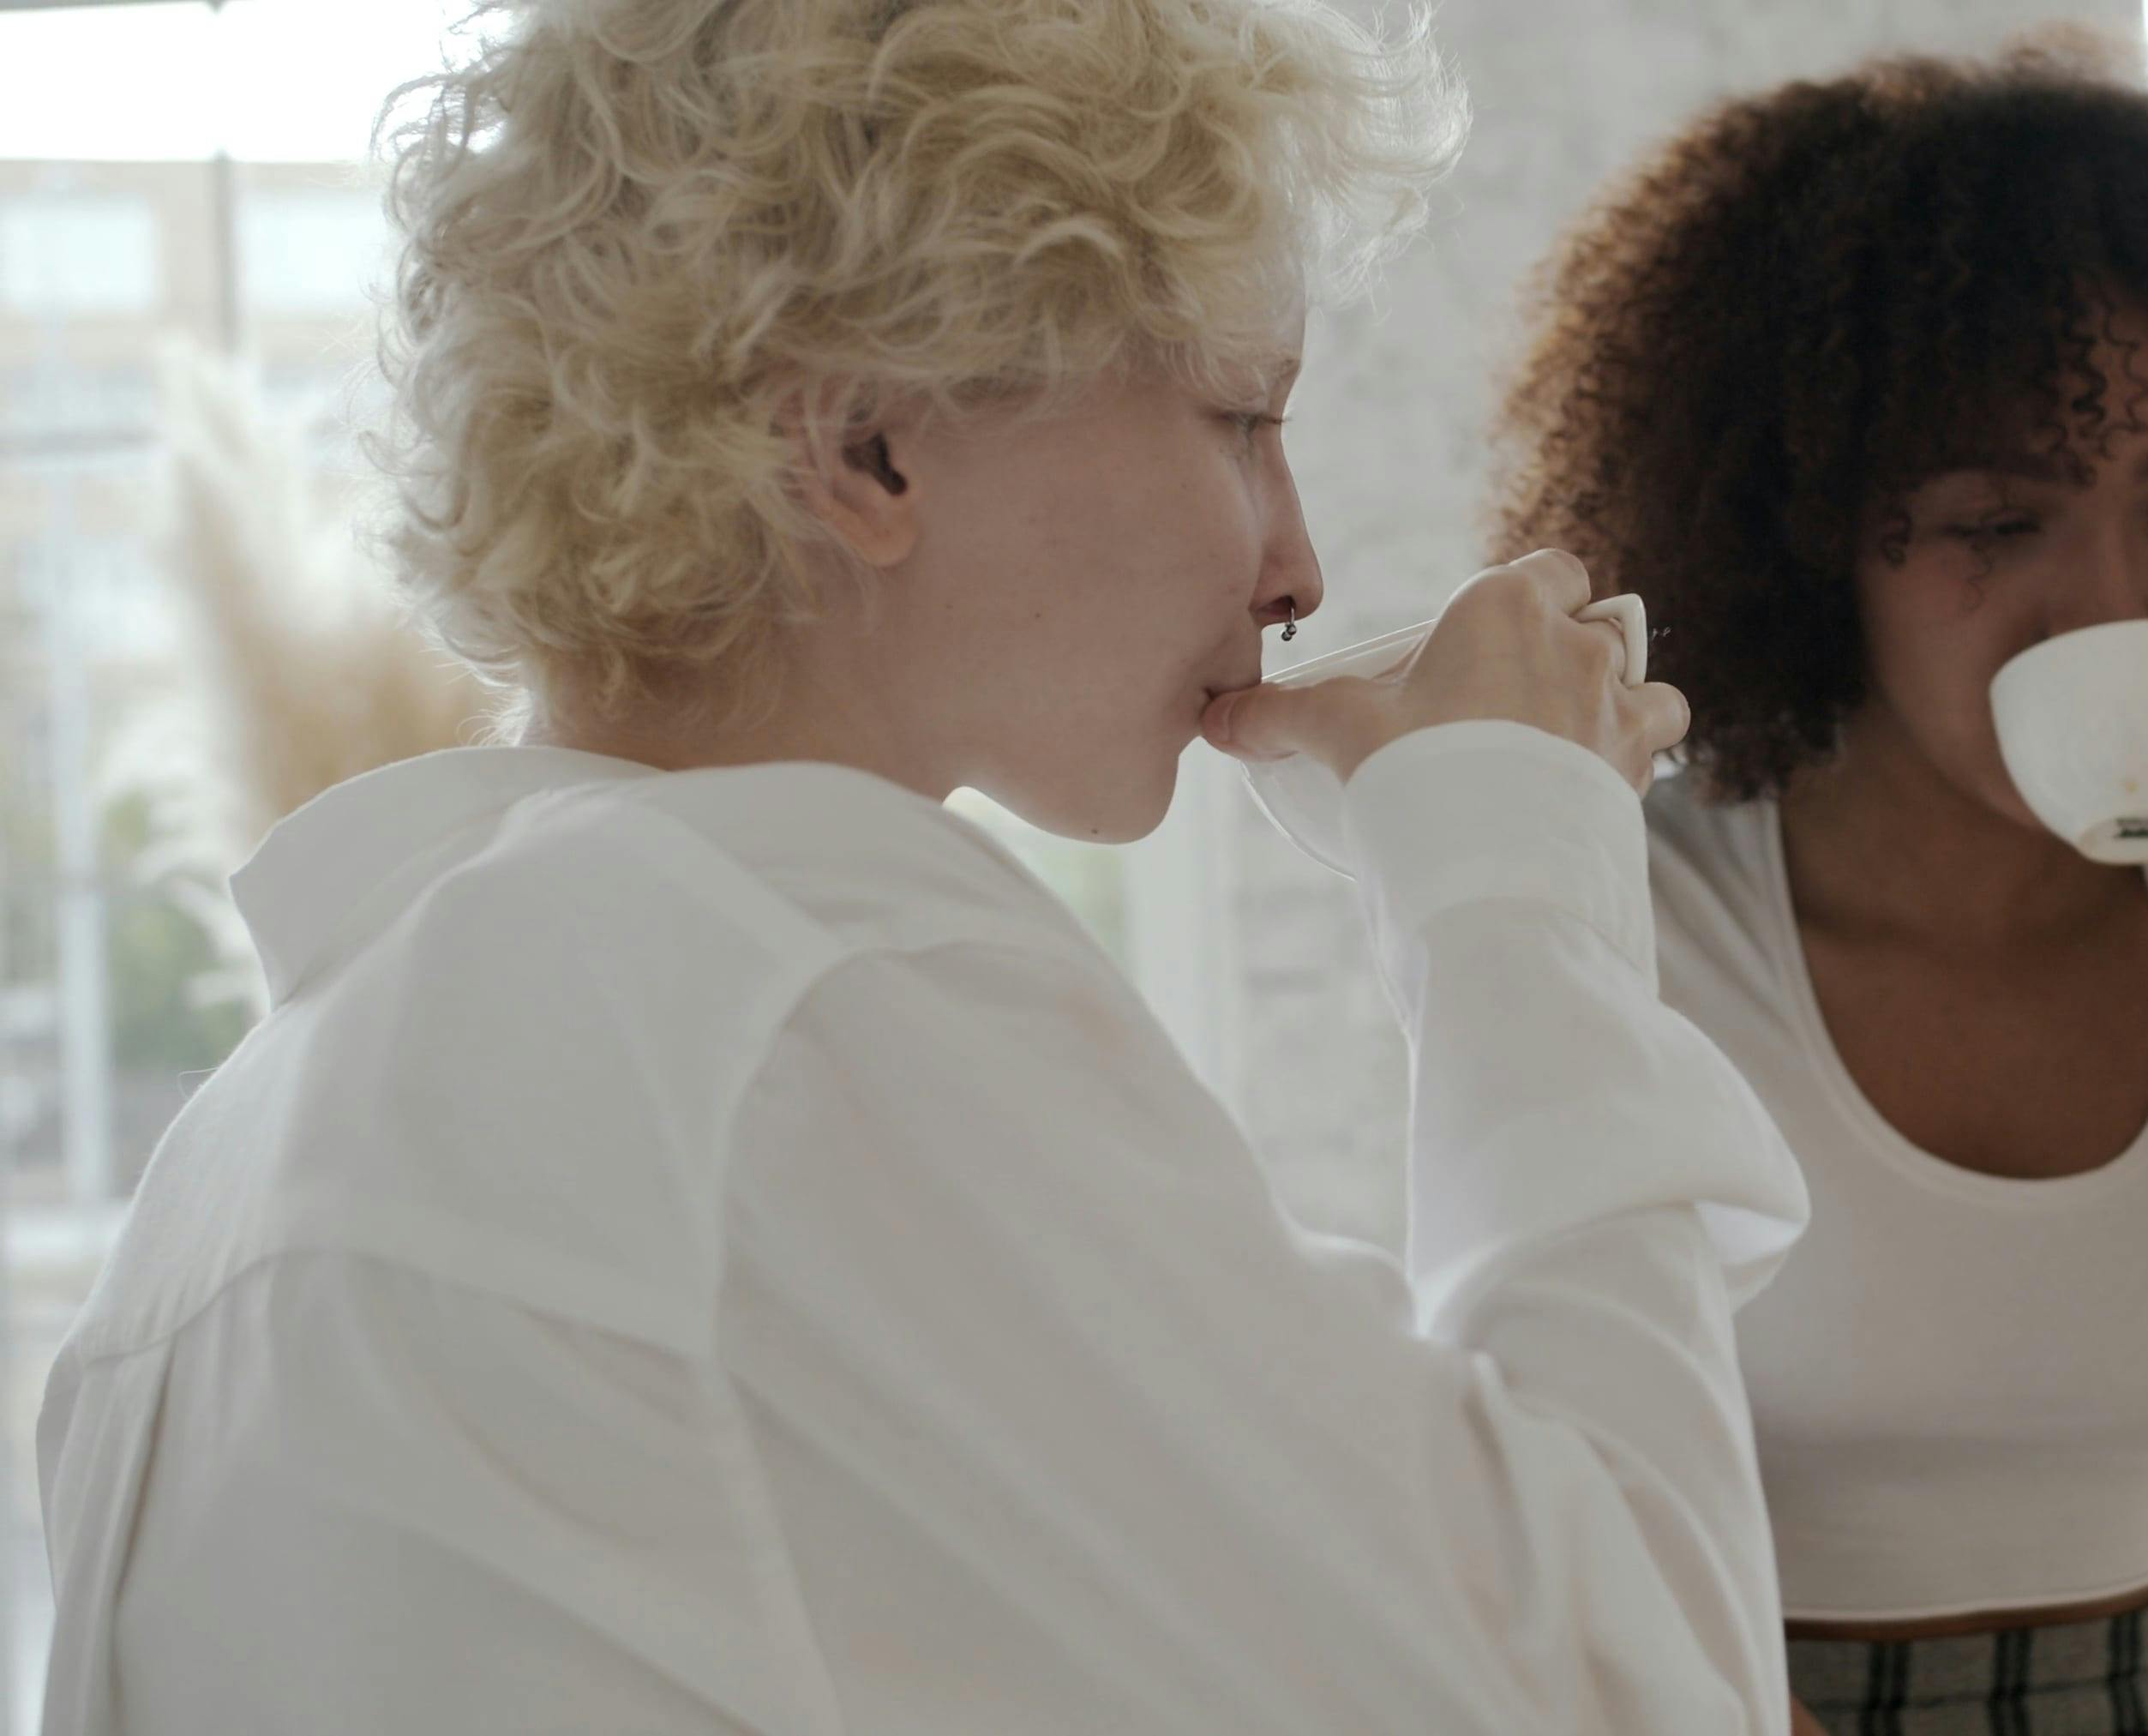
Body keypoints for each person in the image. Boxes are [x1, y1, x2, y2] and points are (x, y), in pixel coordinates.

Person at [35, 2, 1810, 1730]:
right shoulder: (795, 992)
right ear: (868, 444)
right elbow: (1645, 1682)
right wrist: (1511, 880)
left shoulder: (244, 1154)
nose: (1299, 567)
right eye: (1242, 420)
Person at [1492, 39, 2148, 1735]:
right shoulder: (1628, 918)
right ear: (1812, 529)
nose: (2111, 605)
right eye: (1999, 522)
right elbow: (1523, 1535)